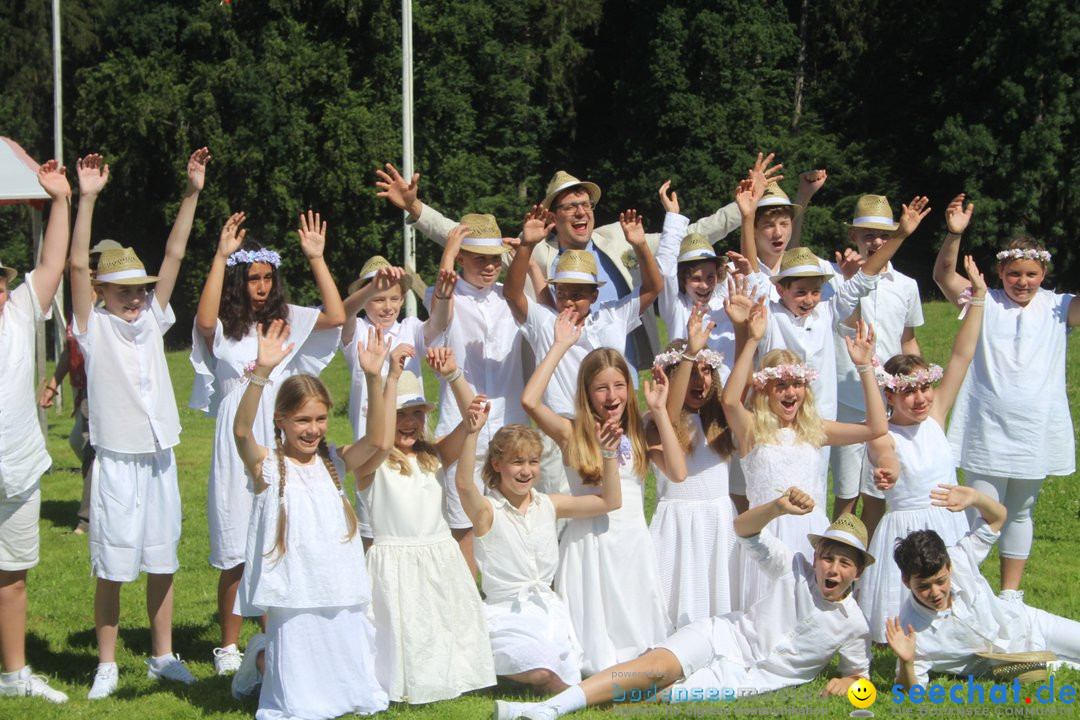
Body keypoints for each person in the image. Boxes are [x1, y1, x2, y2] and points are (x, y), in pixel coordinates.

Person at [493, 494, 874, 720]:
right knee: (654, 669)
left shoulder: (854, 624)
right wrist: (776, 507)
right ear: (817, 554)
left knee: (657, 694)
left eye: (845, 564)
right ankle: (549, 711)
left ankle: (563, 699)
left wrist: (852, 682)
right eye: (829, 558)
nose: (834, 570)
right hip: (723, 635)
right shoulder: (793, 568)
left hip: (750, 680)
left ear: (856, 573)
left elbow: (863, 679)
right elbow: (744, 530)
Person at [375, 160, 778, 366]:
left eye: (585, 203)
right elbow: (467, 238)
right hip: (562, 372)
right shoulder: (536, 252)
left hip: (627, 365)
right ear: (554, 216)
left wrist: (747, 205)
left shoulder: (617, 237)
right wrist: (415, 208)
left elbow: (698, 234)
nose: (581, 211)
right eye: (570, 206)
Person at [70, 149, 209, 698]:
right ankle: (106, 663)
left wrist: (193, 192)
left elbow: (174, 254)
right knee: (112, 561)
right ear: (103, 293)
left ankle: (162, 654)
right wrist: (87, 199)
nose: (135, 297)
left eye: (139, 288)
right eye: (123, 289)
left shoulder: (152, 318)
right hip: (117, 458)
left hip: (159, 454)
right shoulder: (91, 326)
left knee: (162, 556)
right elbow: (78, 265)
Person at [189, 210, 345, 674]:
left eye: (267, 278)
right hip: (237, 435)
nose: (261, 286)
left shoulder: (286, 321)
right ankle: (229, 647)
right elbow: (202, 319)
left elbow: (336, 314)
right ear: (240, 281)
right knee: (236, 542)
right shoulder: (226, 326)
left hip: (277, 432)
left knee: (279, 532)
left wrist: (316, 258)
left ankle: (276, 634)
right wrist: (220, 256)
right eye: (253, 278)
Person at [228, 320, 388, 718]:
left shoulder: (334, 460)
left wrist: (372, 378)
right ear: (281, 420)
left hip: (337, 585)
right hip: (296, 593)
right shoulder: (268, 466)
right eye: (302, 420)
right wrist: (261, 372)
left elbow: (380, 440)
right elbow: (242, 430)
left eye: (320, 419)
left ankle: (269, 660)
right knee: (298, 704)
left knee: (352, 695)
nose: (313, 429)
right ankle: (263, 659)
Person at [739, 192, 930, 516]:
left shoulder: (829, 312)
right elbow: (753, 275)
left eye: (815, 291)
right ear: (781, 289)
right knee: (770, 490)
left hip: (817, 420)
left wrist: (899, 236)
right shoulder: (769, 314)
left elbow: (864, 277)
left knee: (812, 492)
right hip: (771, 422)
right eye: (800, 292)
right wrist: (746, 218)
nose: (809, 299)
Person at [933, 194, 1079, 599]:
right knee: (981, 512)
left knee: (1021, 513)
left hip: (1035, 429)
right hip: (985, 426)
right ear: (1000, 271)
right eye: (1014, 273)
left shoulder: (1058, 306)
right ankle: (964, 591)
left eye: (1031, 274)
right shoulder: (983, 300)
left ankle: (1010, 597)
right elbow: (944, 275)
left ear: (1044, 272)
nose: (1023, 282)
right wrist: (953, 234)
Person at [521, 309, 684, 675]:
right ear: (587, 393)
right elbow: (530, 401)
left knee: (631, 608)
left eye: (619, 386)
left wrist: (658, 412)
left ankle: (635, 658)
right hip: (588, 539)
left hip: (630, 538)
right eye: (601, 388)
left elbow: (677, 471)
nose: (611, 396)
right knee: (594, 613)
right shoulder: (572, 432)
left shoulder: (640, 432)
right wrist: (560, 346)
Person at [721, 299, 886, 608]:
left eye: (797, 384)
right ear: (764, 389)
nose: (790, 392)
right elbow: (730, 401)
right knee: (768, 608)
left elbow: (876, 427)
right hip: (767, 528)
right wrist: (752, 340)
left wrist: (864, 366)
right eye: (780, 384)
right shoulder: (752, 429)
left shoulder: (814, 430)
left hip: (811, 527)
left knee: (808, 608)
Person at [858, 255, 986, 642]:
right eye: (907, 392)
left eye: (924, 388)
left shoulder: (936, 418)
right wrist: (888, 471)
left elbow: (962, 355)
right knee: (911, 623)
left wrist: (977, 298)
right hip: (906, 526)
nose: (919, 399)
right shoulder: (882, 434)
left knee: (959, 607)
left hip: (948, 520)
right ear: (889, 397)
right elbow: (887, 459)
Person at [357, 343, 494, 703]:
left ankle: (446, 676)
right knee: (402, 628)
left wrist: (452, 374)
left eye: (417, 413)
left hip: (437, 553)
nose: (409, 421)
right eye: (401, 413)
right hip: (394, 558)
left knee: (438, 624)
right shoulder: (373, 461)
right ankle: (402, 682)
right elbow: (381, 439)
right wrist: (392, 377)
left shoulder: (433, 455)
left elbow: (474, 415)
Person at [456, 407, 623, 693]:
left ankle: (580, 690)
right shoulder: (487, 511)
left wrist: (608, 454)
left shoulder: (549, 504)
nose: (526, 470)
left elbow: (610, 501)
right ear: (496, 464)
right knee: (544, 673)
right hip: (506, 613)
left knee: (565, 667)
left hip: (547, 609)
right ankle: (582, 695)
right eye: (517, 462)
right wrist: (471, 434)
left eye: (533, 462)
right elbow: (463, 484)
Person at [887, 485, 1080, 689]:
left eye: (941, 581)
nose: (935, 593)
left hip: (1030, 623)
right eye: (923, 586)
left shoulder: (960, 558)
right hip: (1010, 664)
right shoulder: (911, 628)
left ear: (949, 567)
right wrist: (907, 663)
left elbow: (998, 518)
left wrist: (977, 498)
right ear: (907, 581)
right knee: (1070, 668)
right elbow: (912, 691)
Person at [0, 159, 72, 705]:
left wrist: (62, 201)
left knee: (13, 578)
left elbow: (52, 260)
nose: (1, 291)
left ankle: (15, 675)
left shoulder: (22, 311)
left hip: (18, 467)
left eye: (0, 282)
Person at [830, 194, 926, 522]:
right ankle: (837, 565)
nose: (877, 241)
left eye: (884, 234)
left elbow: (908, 340)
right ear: (852, 237)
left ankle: (867, 569)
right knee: (845, 493)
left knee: (877, 491)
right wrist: (847, 279)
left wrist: (918, 384)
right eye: (868, 234)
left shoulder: (907, 285)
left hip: (887, 402)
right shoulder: (833, 282)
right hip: (847, 399)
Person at [650, 306, 738, 625]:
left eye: (706, 371)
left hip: (717, 517)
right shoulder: (659, 422)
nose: (700, 380)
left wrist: (747, 335)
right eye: (690, 372)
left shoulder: (718, 423)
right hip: (680, 522)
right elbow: (669, 415)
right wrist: (688, 354)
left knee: (719, 595)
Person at [653, 153, 778, 378]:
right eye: (696, 278)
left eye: (710, 277)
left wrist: (749, 274)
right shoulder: (676, 307)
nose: (704, 285)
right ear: (682, 279)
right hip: (686, 400)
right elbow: (665, 269)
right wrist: (673, 218)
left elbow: (759, 299)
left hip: (726, 399)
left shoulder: (726, 302)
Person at [39, 238, 123, 536]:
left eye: (96, 263)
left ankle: (87, 520)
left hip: (105, 390)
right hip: (84, 389)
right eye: (90, 264)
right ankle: (108, 497)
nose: (91, 269)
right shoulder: (83, 304)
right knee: (81, 443)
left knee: (91, 450)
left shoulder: (114, 303)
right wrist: (53, 384)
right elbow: (70, 346)